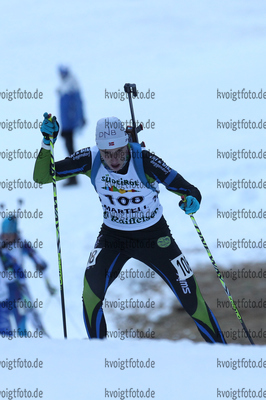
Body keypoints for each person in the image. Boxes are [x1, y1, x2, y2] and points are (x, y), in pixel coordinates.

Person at [33, 114, 226, 343]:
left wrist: (191, 199)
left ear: (127, 144)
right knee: (90, 294)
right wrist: (48, 142)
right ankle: (99, 355)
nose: (113, 160)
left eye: (119, 152)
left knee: (192, 299)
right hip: (113, 238)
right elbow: (43, 176)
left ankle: (221, 355)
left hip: (155, 237)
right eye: (107, 154)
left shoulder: (144, 160)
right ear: (99, 149)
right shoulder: (90, 158)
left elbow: (186, 188)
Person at [0, 215, 56, 337]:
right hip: (3, 289)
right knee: (3, 322)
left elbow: (34, 255)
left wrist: (40, 264)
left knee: (22, 316)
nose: (6, 238)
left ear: (15, 233)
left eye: (9, 235)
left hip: (19, 288)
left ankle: (32, 339)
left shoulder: (21, 243)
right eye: (4, 235)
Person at [57, 66, 86, 186]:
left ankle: (73, 176)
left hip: (69, 125)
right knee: (70, 148)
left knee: (70, 149)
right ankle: (72, 175)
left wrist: (69, 125)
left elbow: (73, 109)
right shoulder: (67, 85)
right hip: (67, 124)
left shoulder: (71, 87)